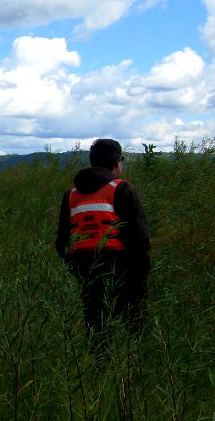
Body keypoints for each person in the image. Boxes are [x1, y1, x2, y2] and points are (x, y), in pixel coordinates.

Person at [56, 139, 151, 354]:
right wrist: (140, 278)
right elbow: (140, 240)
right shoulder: (122, 189)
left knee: (98, 337)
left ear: (92, 162)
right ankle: (134, 373)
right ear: (117, 163)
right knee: (134, 332)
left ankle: (100, 376)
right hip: (124, 273)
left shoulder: (71, 196)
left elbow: (62, 244)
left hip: (89, 276)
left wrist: (80, 272)